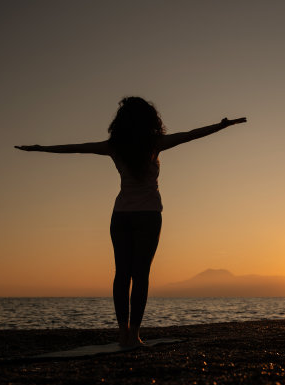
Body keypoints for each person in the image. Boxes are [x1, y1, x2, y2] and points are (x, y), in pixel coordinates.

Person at [15, 96, 246, 347]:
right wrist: (222, 125)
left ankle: (123, 334)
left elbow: (76, 147)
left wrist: (40, 148)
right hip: (148, 215)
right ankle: (134, 335)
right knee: (140, 275)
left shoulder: (114, 146)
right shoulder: (155, 143)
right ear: (150, 120)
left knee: (122, 274)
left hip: (121, 215)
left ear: (121, 122)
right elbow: (191, 134)